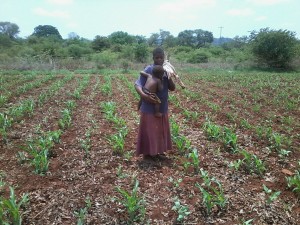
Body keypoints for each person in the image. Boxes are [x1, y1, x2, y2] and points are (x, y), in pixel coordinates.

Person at [134, 47, 176, 159]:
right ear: (153, 58)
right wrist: (143, 95)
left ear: (164, 58)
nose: (159, 59)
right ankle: (149, 153)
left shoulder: (166, 70)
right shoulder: (149, 69)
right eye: (157, 57)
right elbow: (137, 85)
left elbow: (172, 88)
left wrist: (170, 77)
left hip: (162, 107)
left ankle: (159, 151)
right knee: (150, 130)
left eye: (161, 57)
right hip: (148, 107)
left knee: (160, 130)